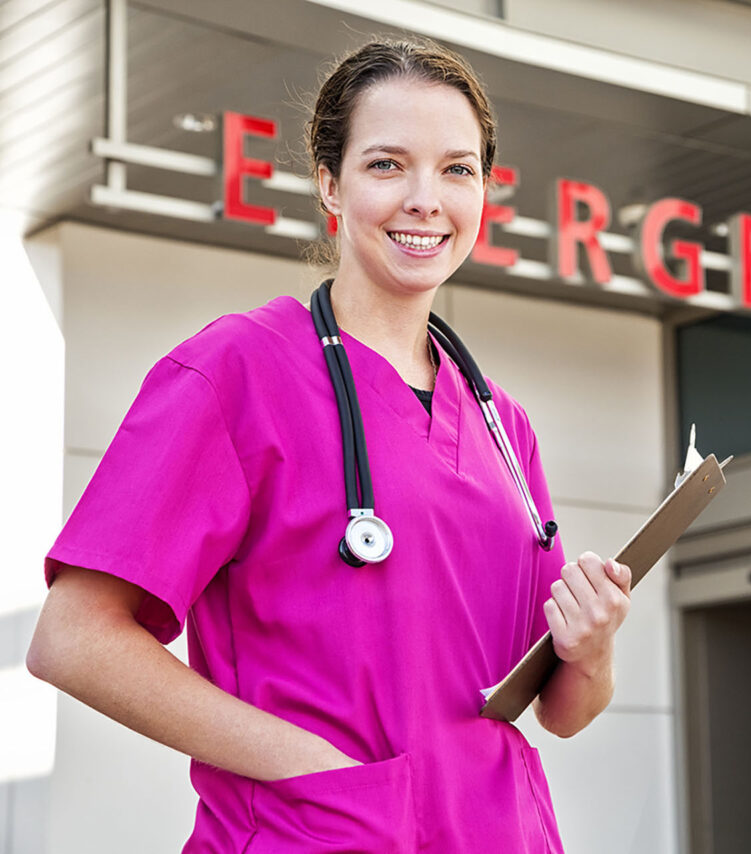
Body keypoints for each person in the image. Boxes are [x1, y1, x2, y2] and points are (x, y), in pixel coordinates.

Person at [26, 37, 632, 853]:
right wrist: (306, 765)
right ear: (329, 185)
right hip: (318, 834)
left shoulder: (502, 424)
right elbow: (73, 639)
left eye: (457, 170)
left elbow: (560, 710)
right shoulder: (237, 371)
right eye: (387, 165)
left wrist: (593, 650)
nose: (426, 200)